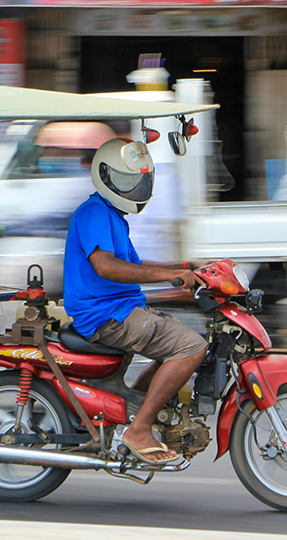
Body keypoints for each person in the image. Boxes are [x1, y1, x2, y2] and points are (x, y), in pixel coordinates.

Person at [63, 138, 207, 465]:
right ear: (106, 177)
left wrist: (185, 267)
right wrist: (168, 278)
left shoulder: (111, 215)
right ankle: (140, 429)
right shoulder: (95, 213)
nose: (135, 188)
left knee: (177, 346)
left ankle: (140, 413)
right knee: (192, 347)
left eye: (139, 181)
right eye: (127, 180)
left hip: (121, 309)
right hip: (107, 315)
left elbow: (136, 266)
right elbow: (107, 266)